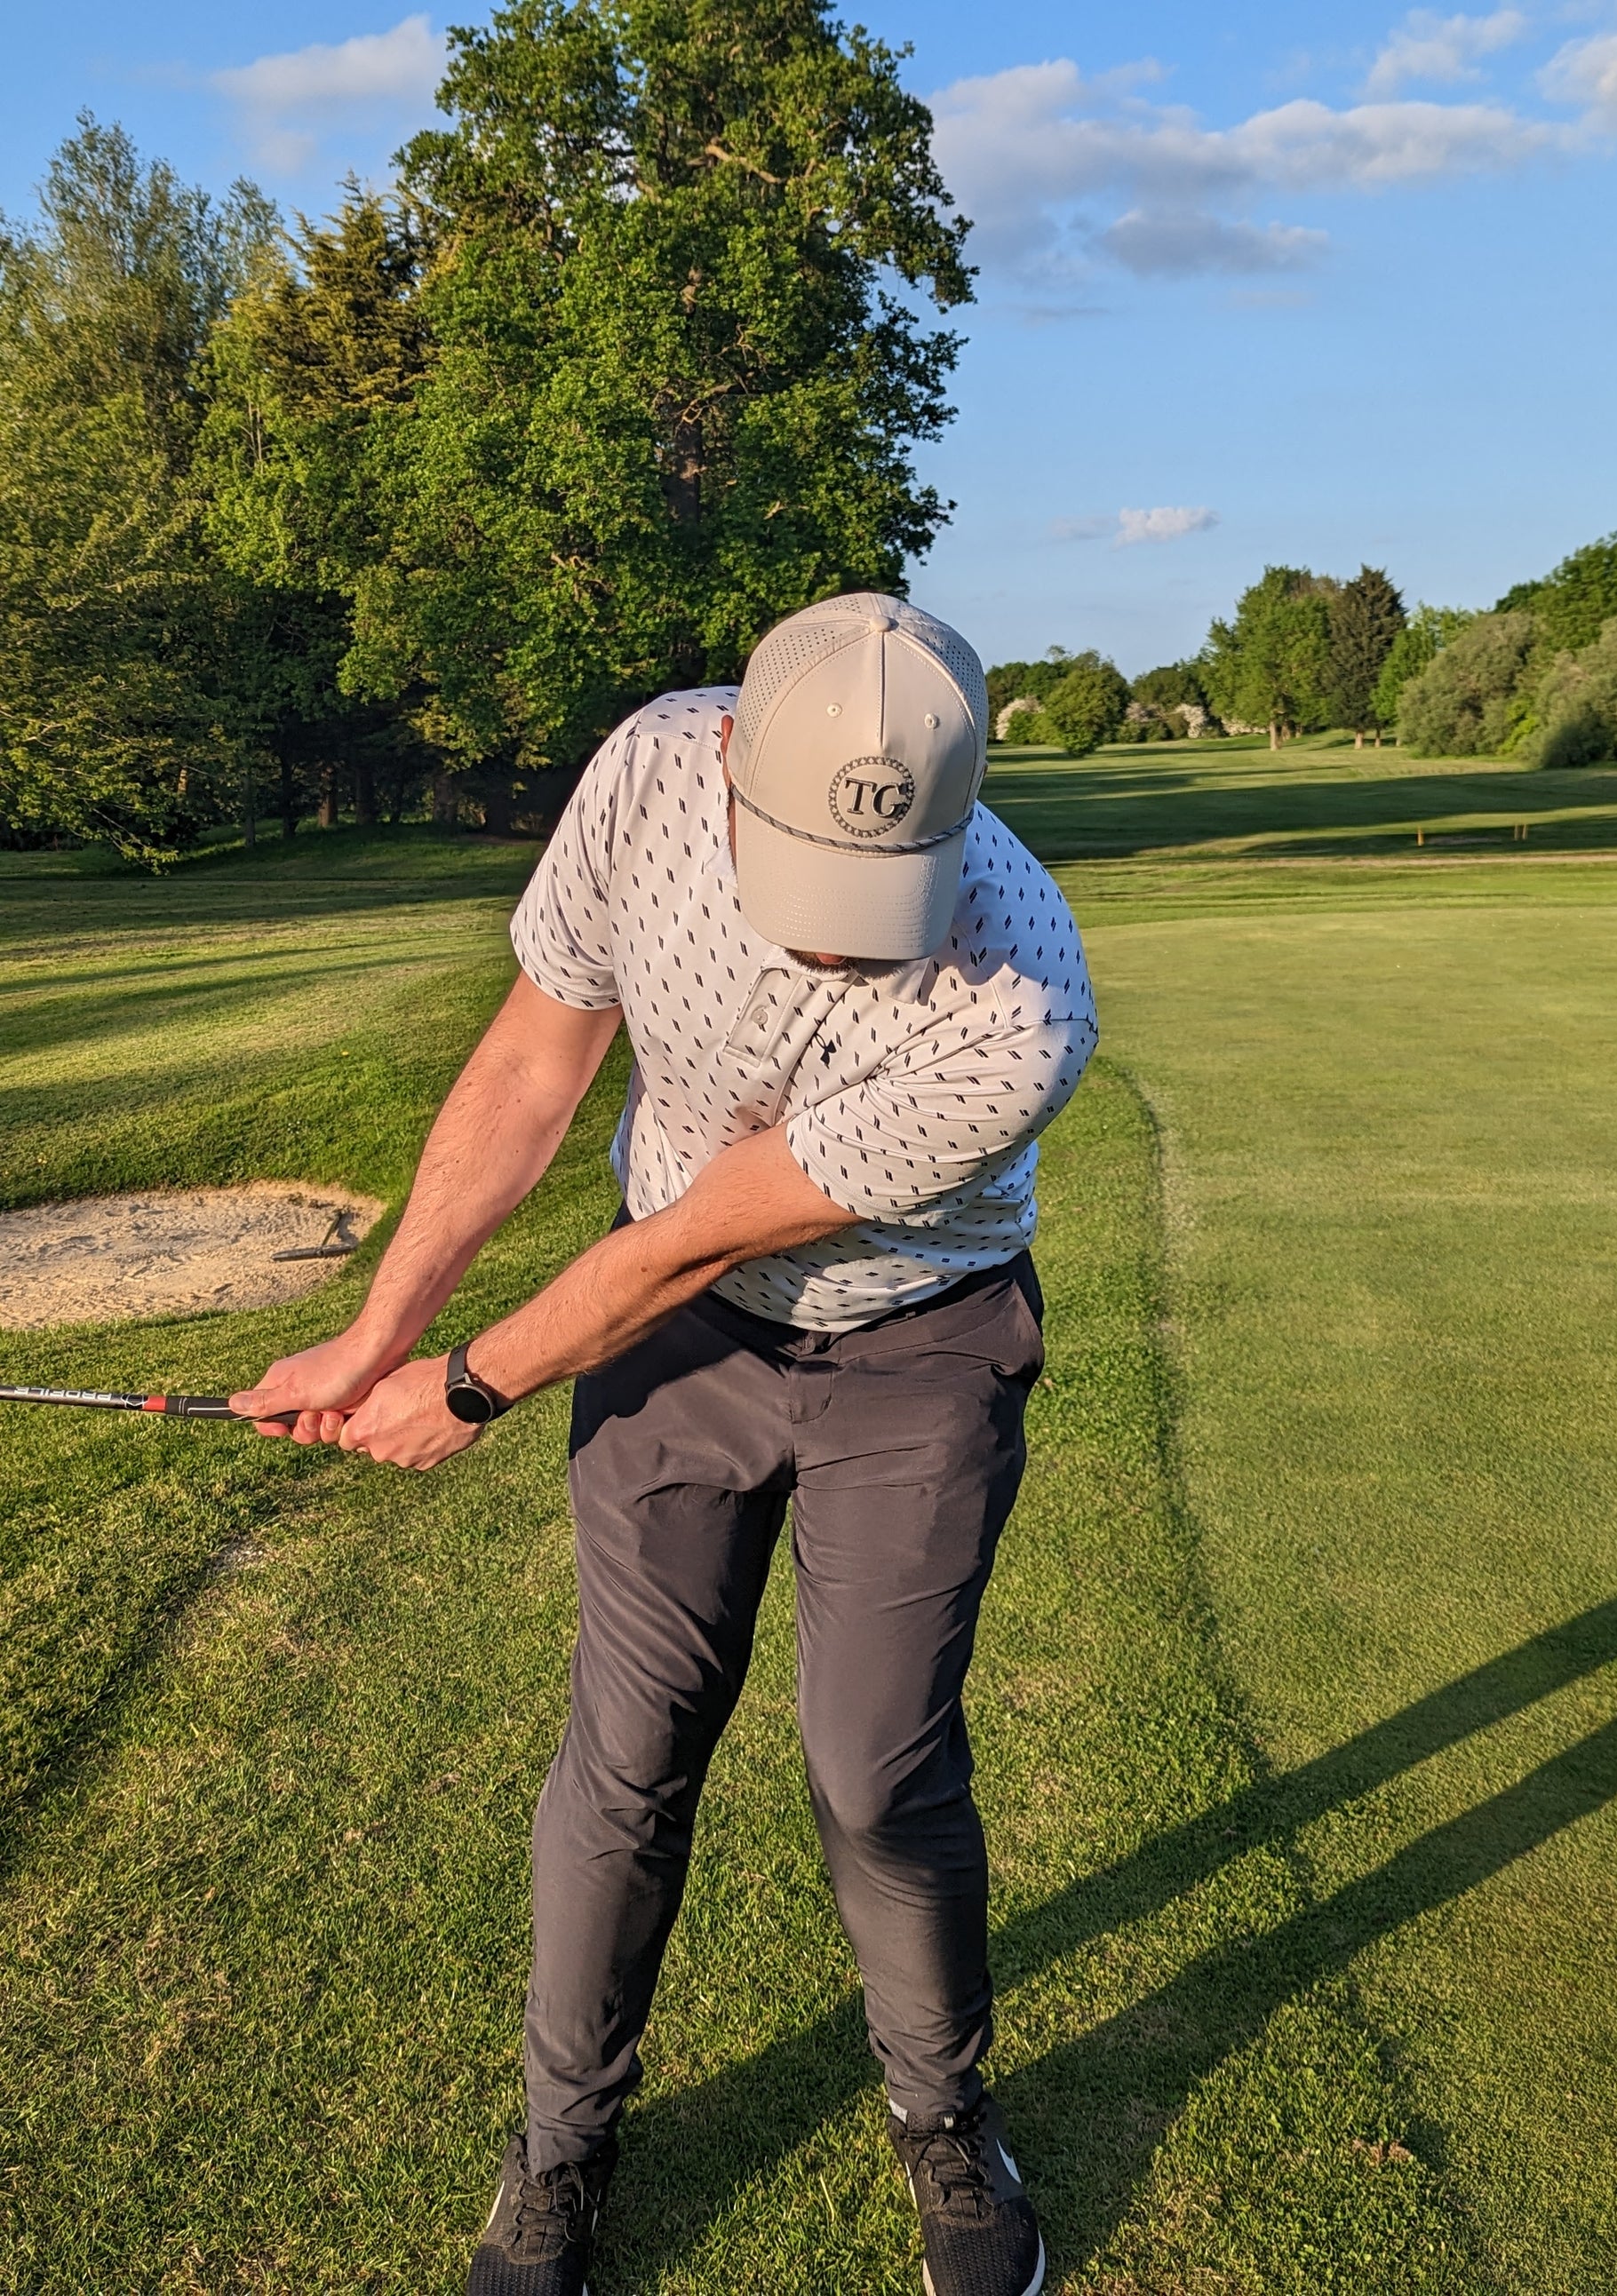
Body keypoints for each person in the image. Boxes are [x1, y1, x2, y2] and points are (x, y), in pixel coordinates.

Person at [233, 593, 1097, 2296]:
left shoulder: (1021, 1007)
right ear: (727, 764)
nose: (841, 947)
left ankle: (941, 2115)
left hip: (914, 1352)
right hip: (681, 1358)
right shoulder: (646, 768)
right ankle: (559, 2150)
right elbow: (533, 1066)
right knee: (624, 1758)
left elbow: (698, 1237)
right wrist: (376, 1330)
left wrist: (465, 1385)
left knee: (875, 1768)